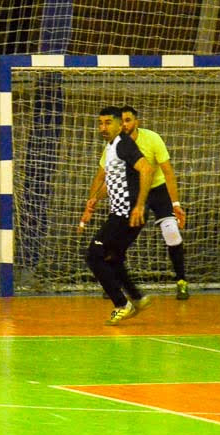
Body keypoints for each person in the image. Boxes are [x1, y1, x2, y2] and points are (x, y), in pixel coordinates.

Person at [79, 106, 154, 325]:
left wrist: (139, 205)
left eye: (108, 123)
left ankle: (122, 304)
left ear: (120, 125)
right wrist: (95, 199)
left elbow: (147, 169)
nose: (103, 127)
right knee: (113, 256)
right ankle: (137, 298)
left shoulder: (124, 144)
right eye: (100, 123)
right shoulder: (111, 147)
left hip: (127, 213)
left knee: (94, 254)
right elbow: (114, 182)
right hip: (121, 211)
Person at [121, 105, 189, 299]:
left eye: (128, 120)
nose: (125, 124)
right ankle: (116, 281)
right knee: (121, 236)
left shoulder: (152, 139)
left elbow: (168, 172)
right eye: (122, 121)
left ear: (136, 122)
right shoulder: (115, 144)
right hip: (133, 192)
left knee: (172, 232)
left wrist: (175, 204)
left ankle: (182, 281)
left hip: (158, 190)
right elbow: (106, 174)